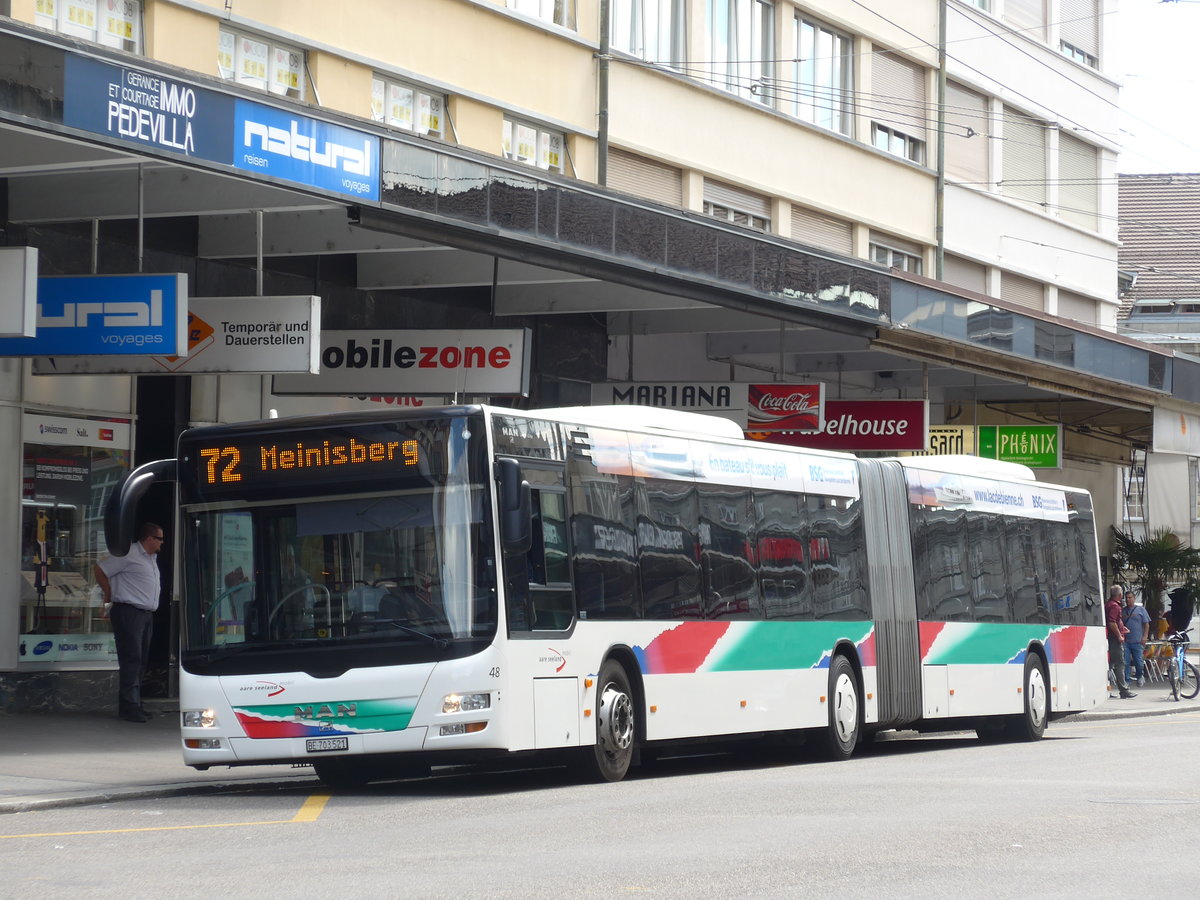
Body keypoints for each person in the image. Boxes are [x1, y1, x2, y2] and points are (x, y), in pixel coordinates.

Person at [93, 522, 165, 722]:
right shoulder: (129, 554)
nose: (162, 542)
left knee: (140, 660)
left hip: (146, 614)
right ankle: (128, 706)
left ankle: (134, 702)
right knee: (132, 658)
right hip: (129, 611)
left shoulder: (151, 558)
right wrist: (109, 593)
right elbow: (100, 569)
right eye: (159, 538)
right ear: (149, 539)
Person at [1105, 584, 1137, 699]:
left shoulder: (1109, 604)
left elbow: (1114, 622)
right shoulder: (1115, 606)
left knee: (1110, 664)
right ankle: (1124, 690)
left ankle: (1106, 689)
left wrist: (1122, 629)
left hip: (1112, 637)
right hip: (1114, 639)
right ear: (1120, 595)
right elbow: (1112, 622)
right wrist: (1119, 635)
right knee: (1120, 663)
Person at [1122, 589, 1151, 687]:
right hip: (1125, 641)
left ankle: (1139, 676)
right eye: (1126, 598)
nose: (1128, 600)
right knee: (1125, 662)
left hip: (1137, 641)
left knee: (1138, 662)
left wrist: (1145, 636)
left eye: (1130, 598)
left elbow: (1146, 624)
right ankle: (1127, 680)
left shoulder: (1141, 610)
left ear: (1134, 599)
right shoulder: (1123, 611)